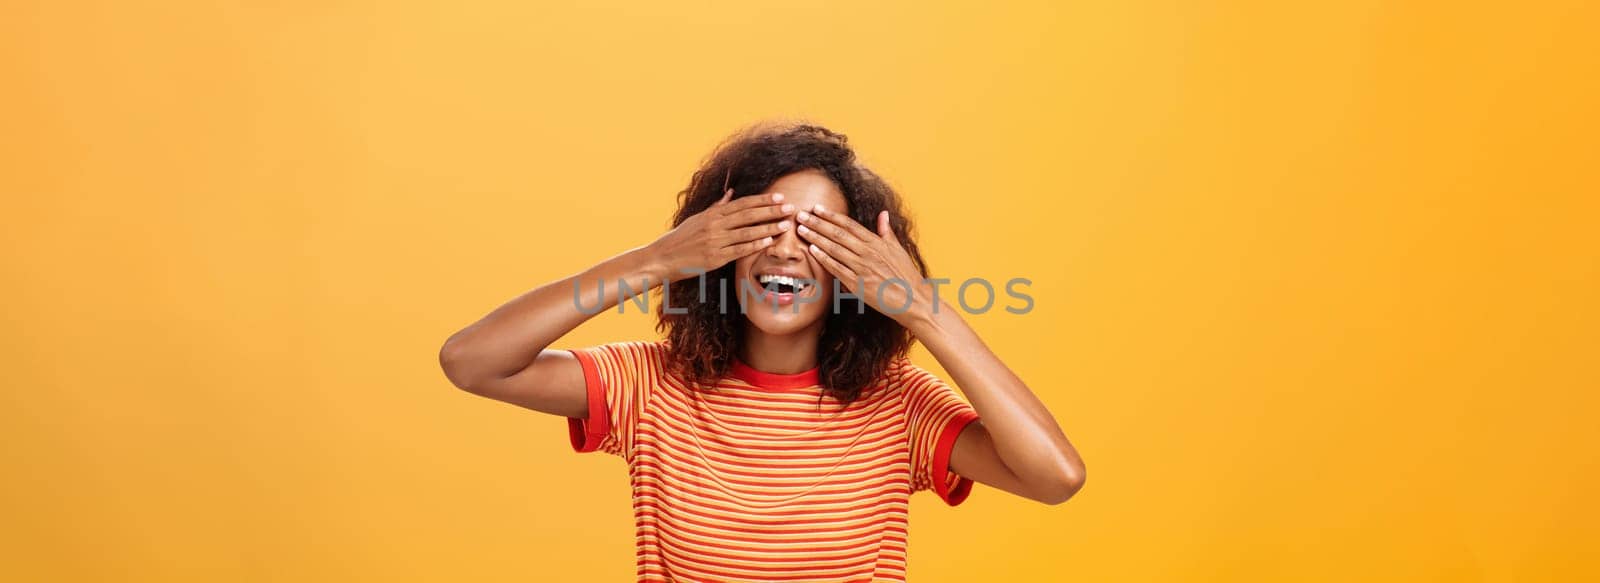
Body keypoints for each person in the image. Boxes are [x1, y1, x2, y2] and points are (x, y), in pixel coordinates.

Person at [438, 122, 1085, 582]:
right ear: (719, 250)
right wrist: (658, 259)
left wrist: (920, 307)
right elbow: (472, 360)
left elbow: (1056, 477)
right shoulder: (649, 383)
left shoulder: (900, 406)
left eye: (814, 233)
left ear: (854, 268)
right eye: (762, 227)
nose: (783, 250)